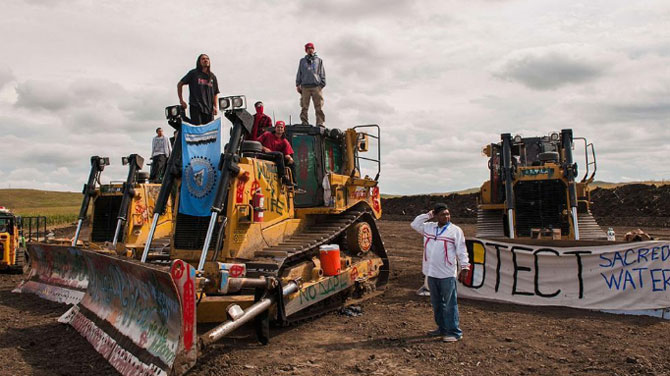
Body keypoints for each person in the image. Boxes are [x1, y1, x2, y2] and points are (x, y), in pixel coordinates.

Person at [410, 203, 470, 343]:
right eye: (443, 214)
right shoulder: (429, 228)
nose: (447, 217)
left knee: (450, 303)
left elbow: (461, 250)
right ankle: (442, 328)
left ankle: (454, 332)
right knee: (437, 303)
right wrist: (428, 215)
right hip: (431, 273)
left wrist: (465, 267)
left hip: (447, 273)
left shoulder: (455, 230)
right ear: (436, 216)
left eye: (448, 214)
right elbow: (414, 224)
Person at [178, 54, 220, 125]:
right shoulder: (193, 73)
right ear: (199, 62)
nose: (205, 60)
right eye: (203, 59)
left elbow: (215, 93)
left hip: (209, 109)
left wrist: (215, 107)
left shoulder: (212, 76)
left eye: (207, 59)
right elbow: (180, 84)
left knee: (208, 131)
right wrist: (181, 100)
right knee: (198, 129)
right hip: (196, 106)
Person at [295, 42, 326, 127]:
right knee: (304, 106)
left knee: (318, 106)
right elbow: (299, 72)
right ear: (306, 50)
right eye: (308, 48)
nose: (310, 50)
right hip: (305, 87)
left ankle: (320, 122)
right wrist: (298, 84)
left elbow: (322, 72)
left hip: (316, 86)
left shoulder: (319, 60)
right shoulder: (302, 61)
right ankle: (304, 122)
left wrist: (321, 84)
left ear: (313, 49)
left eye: (311, 48)